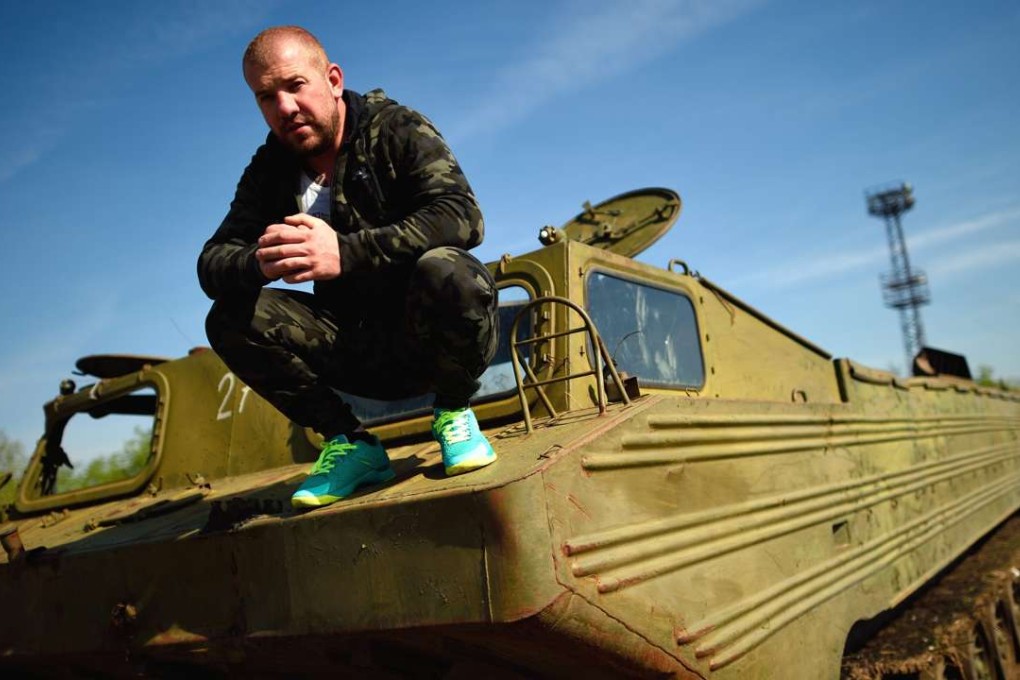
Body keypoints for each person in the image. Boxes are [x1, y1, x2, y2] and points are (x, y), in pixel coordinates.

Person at [198, 26, 499, 509]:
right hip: (353, 352)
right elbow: (211, 264)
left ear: (332, 80)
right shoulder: (269, 170)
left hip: (432, 344)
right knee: (230, 317)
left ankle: (454, 412)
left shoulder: (394, 128)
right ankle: (349, 443)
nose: (285, 108)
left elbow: (462, 216)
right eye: (266, 97)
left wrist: (345, 253)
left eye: (295, 85)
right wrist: (258, 260)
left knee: (450, 271)